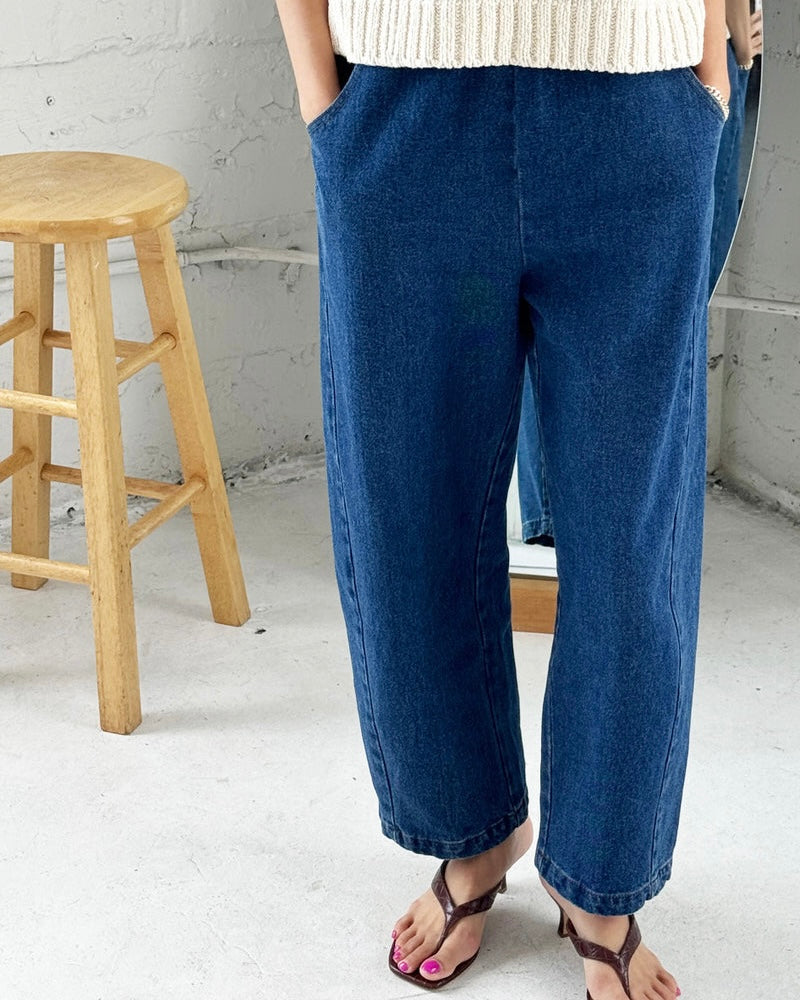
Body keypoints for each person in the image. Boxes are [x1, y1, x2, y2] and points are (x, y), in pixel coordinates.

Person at [275, 2, 731, 998]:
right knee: (407, 522)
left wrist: (705, 58)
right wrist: (320, 91)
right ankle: (470, 832)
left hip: (636, 101)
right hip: (404, 107)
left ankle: (602, 880)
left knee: (632, 545)